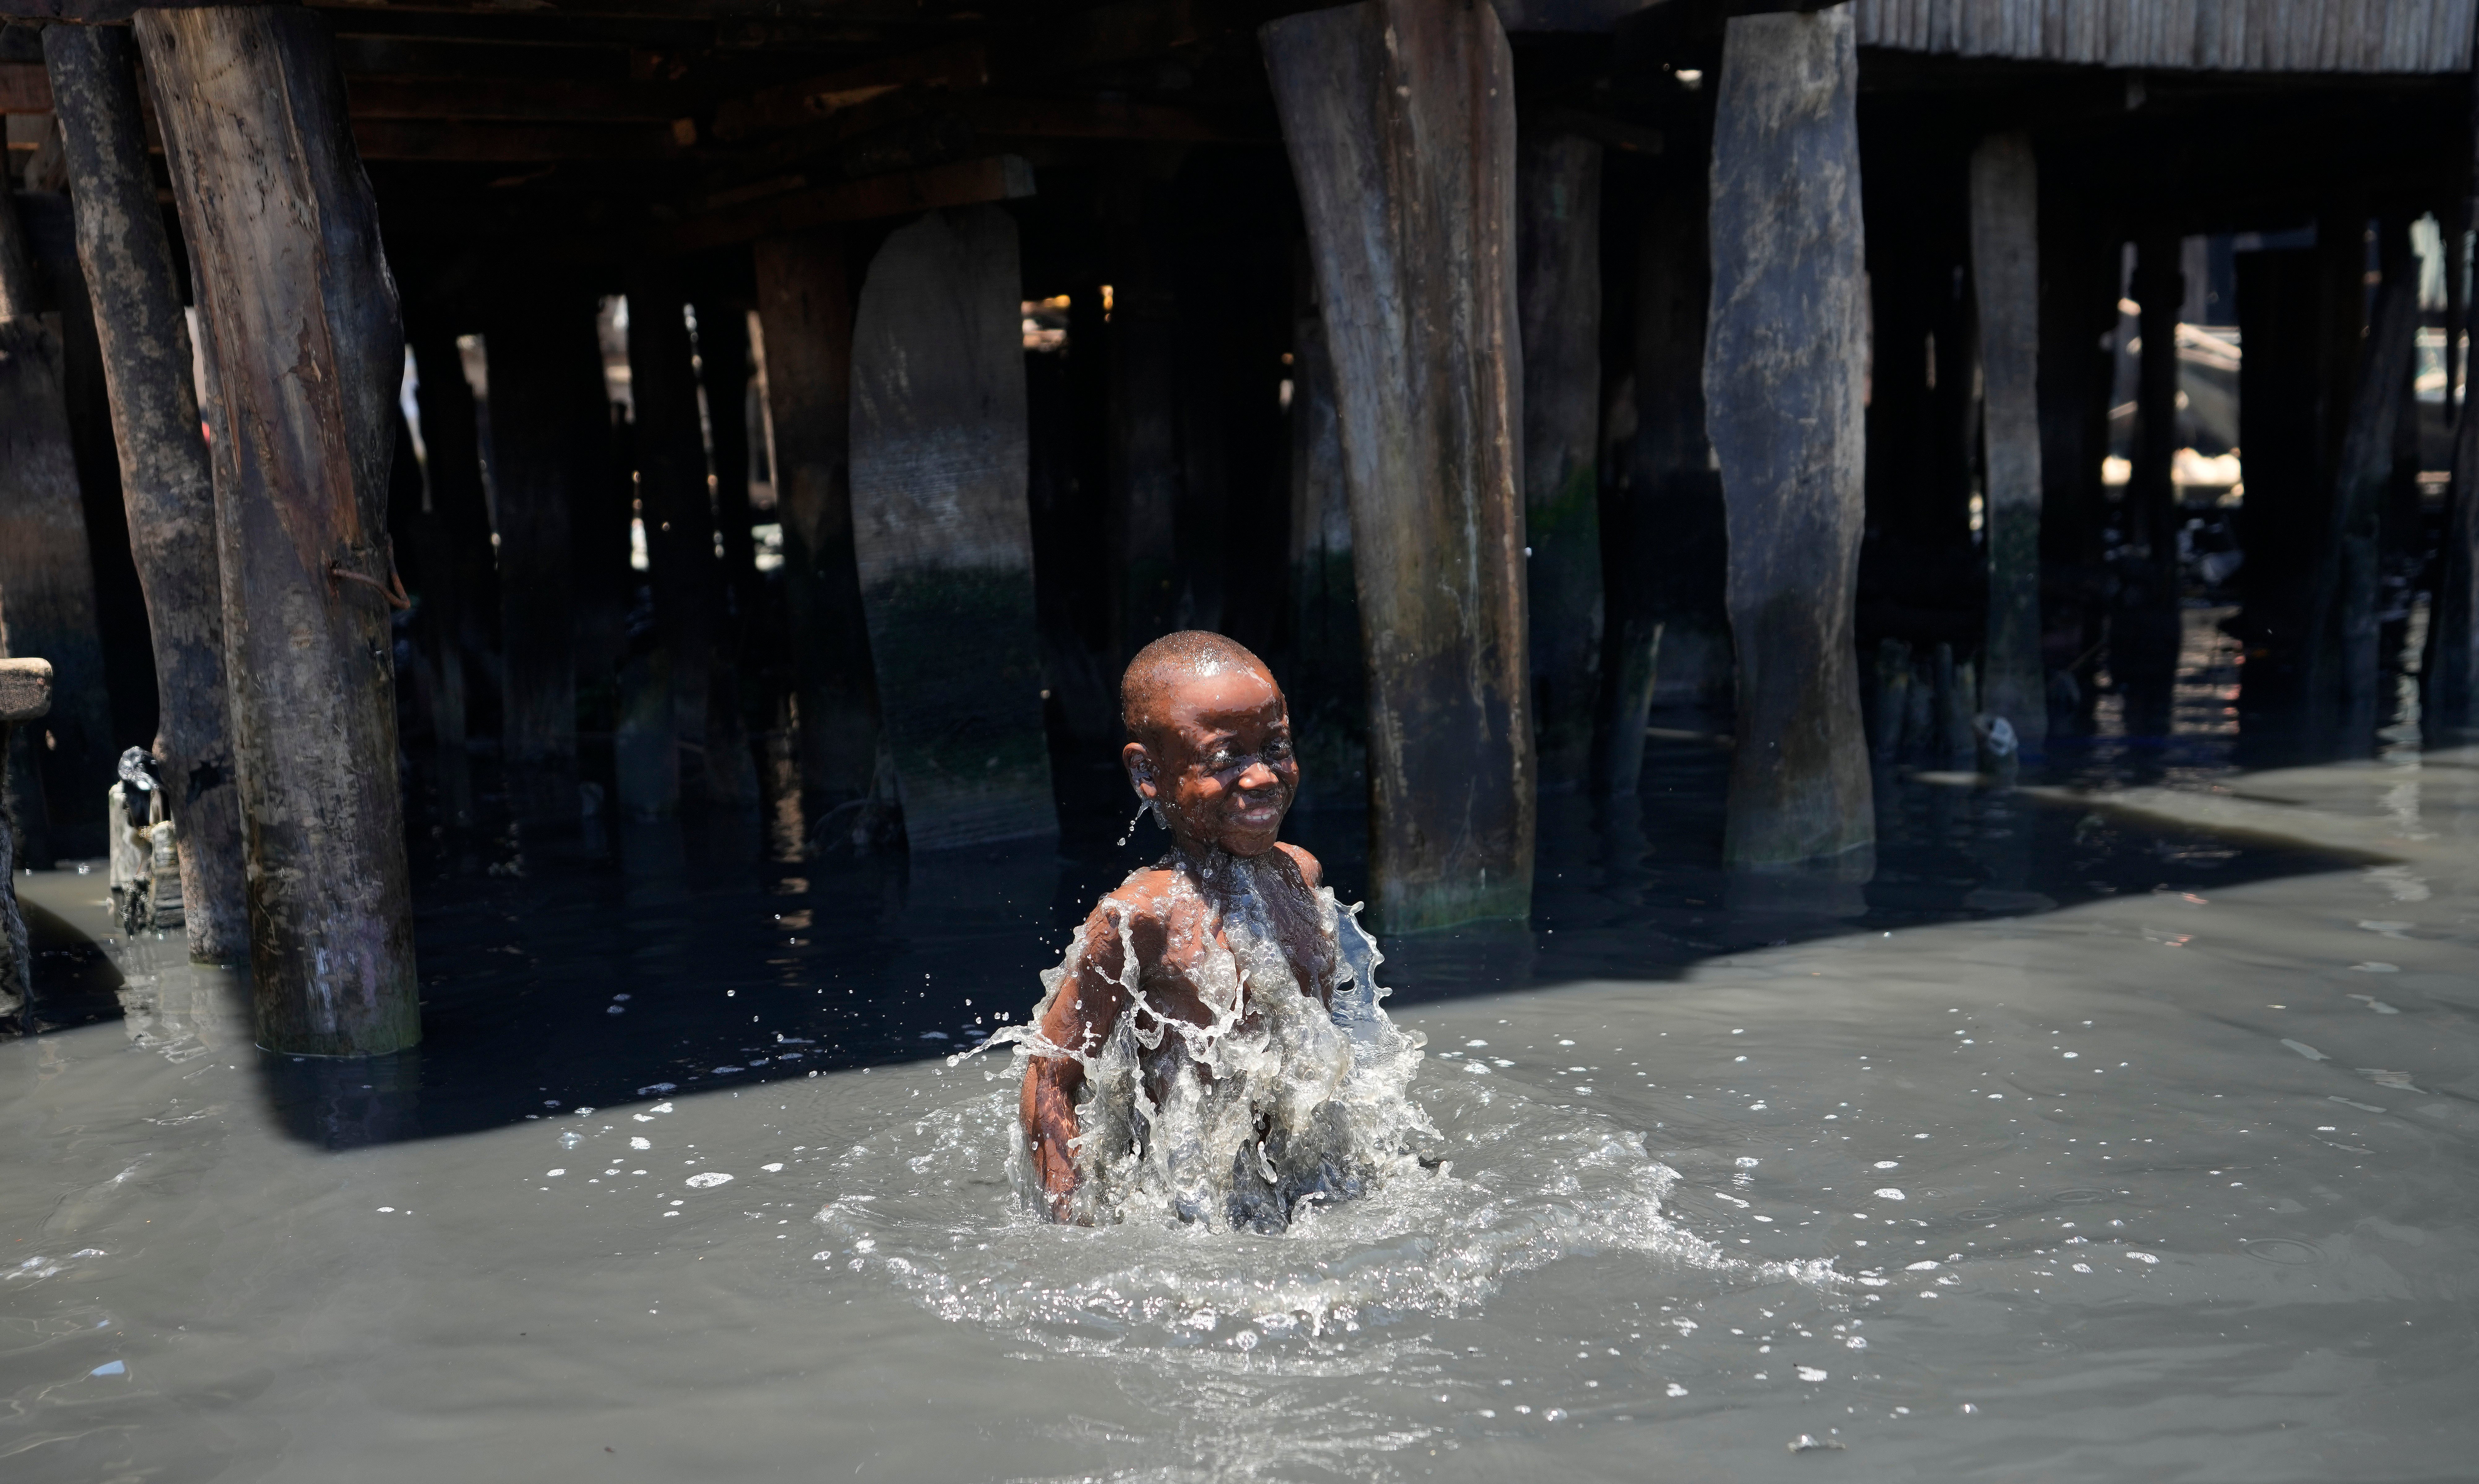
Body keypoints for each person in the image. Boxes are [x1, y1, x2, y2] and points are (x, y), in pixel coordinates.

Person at [1012, 630, 1422, 1231]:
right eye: (1225, 757)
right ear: (1148, 772)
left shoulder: (1299, 873)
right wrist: (1072, 1222)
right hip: (1187, 1201)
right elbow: (1051, 1071)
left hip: (1298, 1177)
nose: (1260, 778)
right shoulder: (1141, 916)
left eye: (1276, 747)